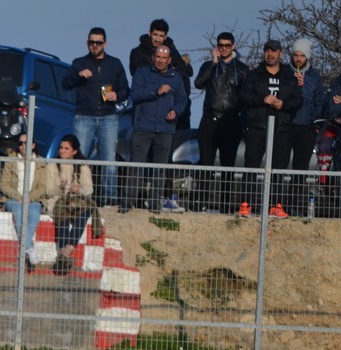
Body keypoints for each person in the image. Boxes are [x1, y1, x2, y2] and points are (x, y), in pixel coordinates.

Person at [62, 27, 129, 206]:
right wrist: (78, 75)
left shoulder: (115, 64)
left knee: (109, 161)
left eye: (98, 42)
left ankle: (110, 200)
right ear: (87, 43)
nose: (95, 45)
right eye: (91, 42)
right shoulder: (79, 63)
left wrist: (117, 95)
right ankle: (75, 195)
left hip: (109, 117)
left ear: (105, 44)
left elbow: (125, 88)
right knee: (78, 158)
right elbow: (66, 84)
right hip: (84, 117)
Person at [237, 39, 301, 219]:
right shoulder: (254, 75)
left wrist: (284, 104)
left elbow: (298, 100)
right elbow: (244, 96)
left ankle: (275, 205)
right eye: (267, 50)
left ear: (281, 53)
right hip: (257, 126)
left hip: (282, 128)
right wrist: (262, 99)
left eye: (274, 51)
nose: (270, 54)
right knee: (251, 166)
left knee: (279, 168)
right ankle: (246, 204)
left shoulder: (289, 76)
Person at [122, 45, 187, 214]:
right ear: (153, 57)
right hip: (143, 127)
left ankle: (154, 204)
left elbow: (182, 100)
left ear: (169, 60)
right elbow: (135, 94)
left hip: (165, 129)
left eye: (164, 58)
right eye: (158, 57)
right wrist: (155, 91)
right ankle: (128, 203)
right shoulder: (142, 73)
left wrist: (176, 111)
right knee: (136, 166)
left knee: (160, 168)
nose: (160, 60)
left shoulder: (175, 77)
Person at [194, 31, 248, 214]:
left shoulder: (242, 69)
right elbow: (198, 83)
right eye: (221, 45)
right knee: (205, 163)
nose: (223, 48)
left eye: (227, 45)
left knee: (228, 165)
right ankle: (202, 203)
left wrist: (243, 122)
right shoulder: (208, 66)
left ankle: (225, 205)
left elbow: (246, 97)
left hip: (231, 120)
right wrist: (213, 64)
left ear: (233, 46)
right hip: (210, 119)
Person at [128, 18, 193, 130]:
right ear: (150, 33)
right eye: (155, 35)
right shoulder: (138, 53)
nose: (157, 39)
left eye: (161, 36)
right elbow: (139, 75)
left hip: (170, 107)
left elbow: (182, 71)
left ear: (165, 37)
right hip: (146, 108)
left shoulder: (171, 50)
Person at [46, 134, 95, 275]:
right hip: (58, 201)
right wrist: (61, 187)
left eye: (66, 148)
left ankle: (66, 251)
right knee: (63, 214)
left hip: (76, 202)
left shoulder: (83, 167)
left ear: (74, 151)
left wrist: (79, 190)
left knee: (85, 211)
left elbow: (89, 189)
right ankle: (66, 254)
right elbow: (49, 191)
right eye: (61, 148)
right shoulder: (52, 165)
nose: (62, 151)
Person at [0, 135, 48, 272]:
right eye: (20, 143)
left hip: (32, 199)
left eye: (26, 143)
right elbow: (4, 184)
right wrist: (18, 197)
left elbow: (42, 187)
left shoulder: (40, 162)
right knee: (18, 210)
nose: (23, 145)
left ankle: (25, 247)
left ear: (33, 145)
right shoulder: (11, 159)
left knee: (34, 211)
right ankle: (29, 248)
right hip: (13, 199)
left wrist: (29, 197)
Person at [286, 39, 323, 215]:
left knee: (301, 169)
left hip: (306, 127)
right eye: (296, 55)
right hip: (286, 126)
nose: (298, 59)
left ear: (307, 57)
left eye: (302, 55)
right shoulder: (284, 73)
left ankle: (296, 206)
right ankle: (278, 204)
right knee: (280, 165)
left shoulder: (314, 78)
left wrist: (315, 125)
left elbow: (319, 102)